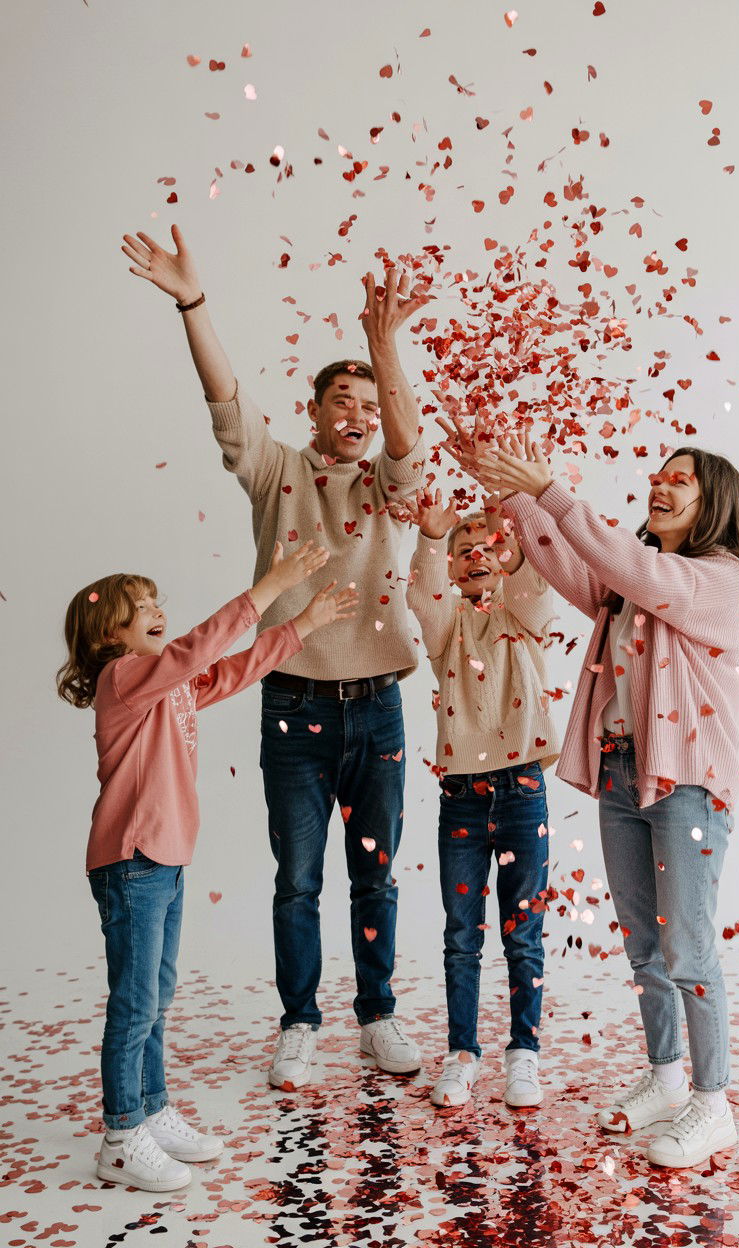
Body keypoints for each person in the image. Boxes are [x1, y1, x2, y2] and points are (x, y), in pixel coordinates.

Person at [121, 225, 427, 1089]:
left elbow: (408, 447)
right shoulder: (278, 471)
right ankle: (298, 1023)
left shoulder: (386, 486)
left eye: (369, 407)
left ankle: (377, 1017)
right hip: (292, 702)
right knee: (297, 881)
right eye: (343, 402)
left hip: (379, 705)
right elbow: (225, 399)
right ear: (314, 410)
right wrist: (193, 301)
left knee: (376, 878)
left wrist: (384, 348)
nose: (359, 418)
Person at [470, 433, 739, 1167]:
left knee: (687, 947)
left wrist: (548, 489)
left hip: (687, 783)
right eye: (658, 476)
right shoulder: (631, 582)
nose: (659, 486)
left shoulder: (719, 577)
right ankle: (667, 1079)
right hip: (620, 772)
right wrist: (511, 491)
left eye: (680, 481)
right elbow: (569, 559)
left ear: (713, 504)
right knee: (645, 946)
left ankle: (713, 1105)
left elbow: (635, 567)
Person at [57, 541, 355, 1191]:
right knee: (135, 1002)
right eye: (141, 607)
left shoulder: (167, 683)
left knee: (156, 998)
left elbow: (226, 672)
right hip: (132, 859)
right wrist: (269, 588)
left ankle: (151, 1109)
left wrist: (301, 627)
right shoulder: (123, 678)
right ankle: (120, 1137)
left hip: (164, 860)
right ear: (108, 635)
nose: (157, 610)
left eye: (155, 600)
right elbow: (196, 652)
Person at [403, 486, 559, 1108]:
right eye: (463, 549)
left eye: (486, 547)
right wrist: (431, 537)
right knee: (461, 935)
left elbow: (534, 583)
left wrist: (507, 529)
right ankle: (462, 1054)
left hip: (523, 791)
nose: (476, 555)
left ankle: (524, 1053)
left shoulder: (523, 616)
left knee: (523, 935)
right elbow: (424, 595)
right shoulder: (448, 629)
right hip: (463, 798)